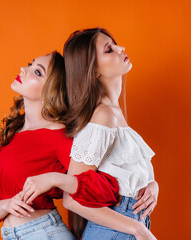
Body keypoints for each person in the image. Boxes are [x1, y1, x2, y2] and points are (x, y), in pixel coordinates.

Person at [21, 28, 159, 240]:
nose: (120, 48)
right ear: (94, 71)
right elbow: (72, 200)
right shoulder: (103, 116)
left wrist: (152, 186)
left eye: (115, 44)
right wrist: (137, 229)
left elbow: (124, 174)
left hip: (124, 225)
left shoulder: (112, 113)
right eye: (109, 50)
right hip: (117, 228)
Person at [0, 51, 120, 240]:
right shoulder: (10, 134)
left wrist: (55, 178)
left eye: (37, 72)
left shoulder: (58, 137)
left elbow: (104, 188)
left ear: (52, 90)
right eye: (30, 64)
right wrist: (6, 205)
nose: (23, 70)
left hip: (44, 234)